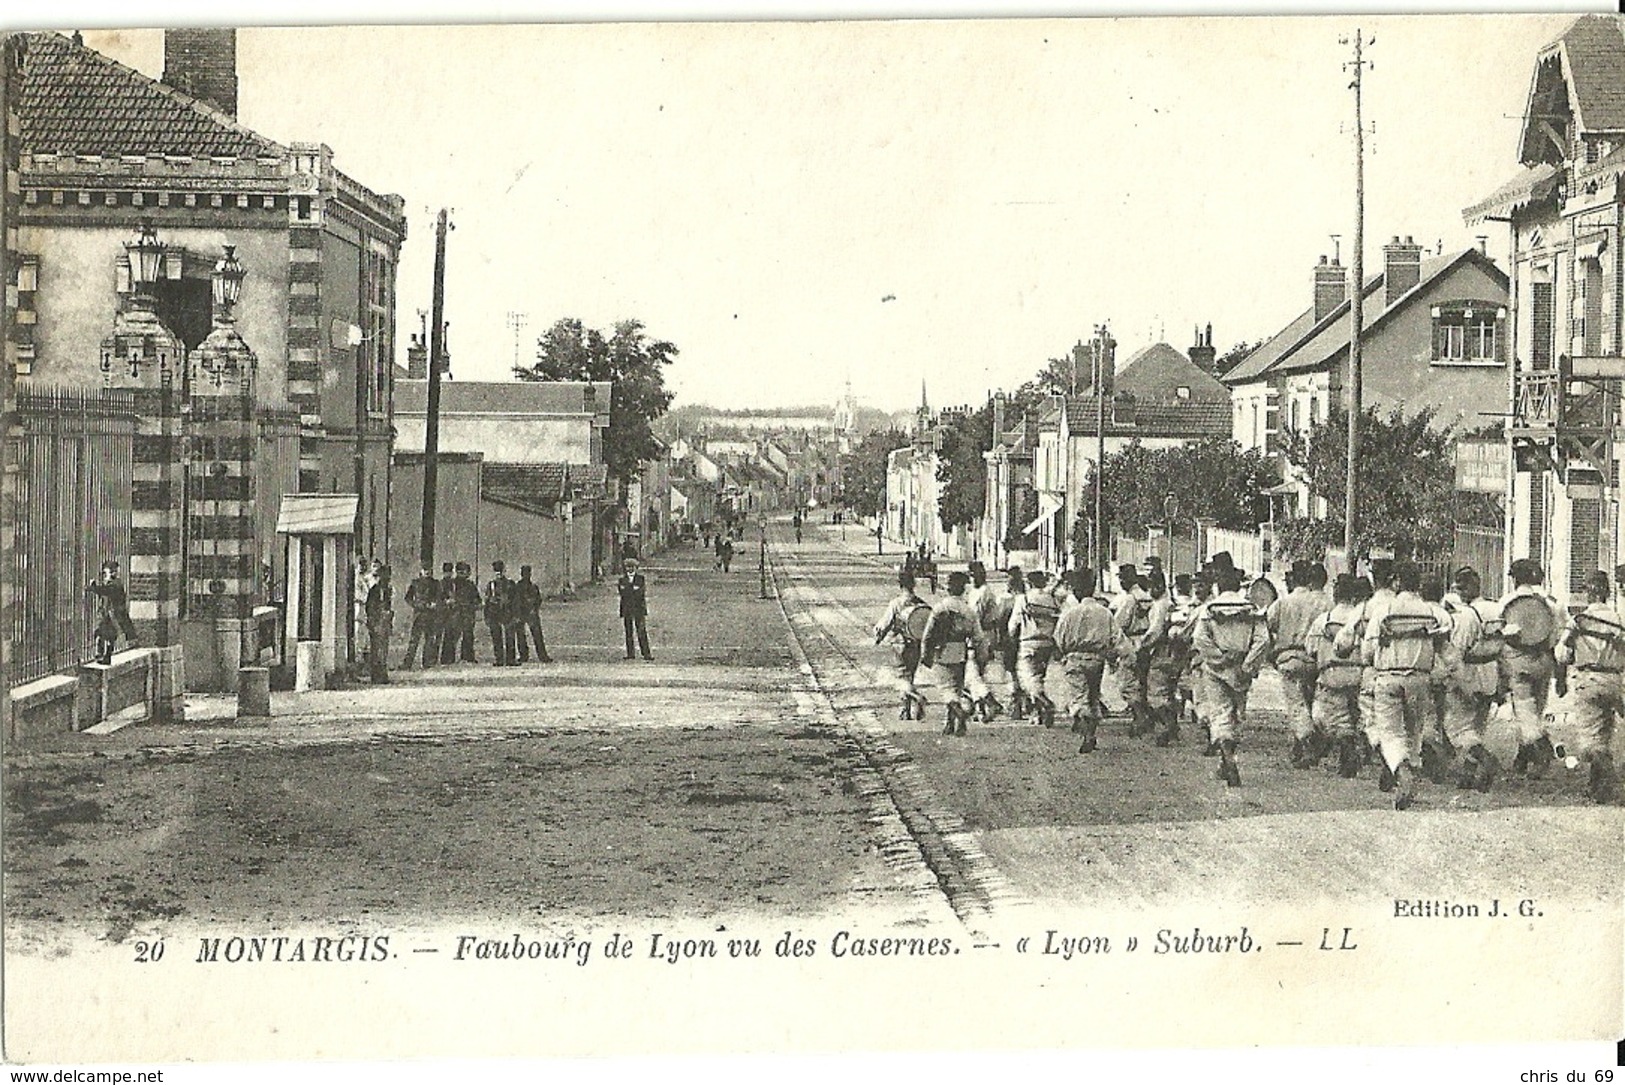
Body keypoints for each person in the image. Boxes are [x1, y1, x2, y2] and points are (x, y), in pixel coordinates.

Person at [1361, 561, 1447, 811]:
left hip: (1389, 676)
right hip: (1420, 678)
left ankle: (1401, 768)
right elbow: (1445, 647)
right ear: (1418, 583)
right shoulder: (1431, 612)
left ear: (1397, 582)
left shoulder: (1385, 608)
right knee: (1414, 731)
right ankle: (1413, 765)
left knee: (1389, 732)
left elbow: (1368, 650)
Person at [1192, 566, 1271, 787]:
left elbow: (1200, 638)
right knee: (1236, 714)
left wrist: (1218, 658)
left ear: (1218, 585)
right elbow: (1262, 640)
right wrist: (1248, 664)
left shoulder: (1210, 609)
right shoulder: (1251, 609)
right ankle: (1227, 759)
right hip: (1241, 669)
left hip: (1217, 669)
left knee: (1220, 713)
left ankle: (1226, 757)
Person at [1553, 570, 1623, 804]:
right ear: (1608, 592)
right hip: (1614, 679)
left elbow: (1562, 654)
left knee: (1590, 739)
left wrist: (1561, 680)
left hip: (1587, 680)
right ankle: (1597, 787)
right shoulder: (1619, 619)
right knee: (1604, 733)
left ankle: (1607, 779)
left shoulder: (1578, 621)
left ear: (1587, 593)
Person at [1500, 558, 1565, 777]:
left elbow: (1502, 633)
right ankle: (1523, 756)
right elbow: (1558, 637)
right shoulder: (1552, 602)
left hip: (1518, 661)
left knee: (1524, 711)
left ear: (1516, 579)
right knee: (1536, 709)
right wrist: (1560, 672)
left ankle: (1540, 750)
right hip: (1544, 660)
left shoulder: (1508, 601)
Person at [1053, 567, 1128, 753]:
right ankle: (1092, 734)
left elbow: (1059, 637)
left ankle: (1086, 733)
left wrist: (1064, 653)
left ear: (1077, 591)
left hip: (1075, 658)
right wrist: (1115, 656)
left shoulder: (1070, 613)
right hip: (1097, 659)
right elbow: (1116, 638)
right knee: (1094, 695)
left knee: (1079, 697)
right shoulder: (1104, 612)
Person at [1442, 567, 1502, 792]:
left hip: (1468, 674)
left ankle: (1485, 759)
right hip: (1490, 673)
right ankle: (1469, 774)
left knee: (1456, 728)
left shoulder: (1464, 615)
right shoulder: (1495, 609)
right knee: (1477, 726)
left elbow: (1456, 653)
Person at [1268, 561, 1331, 768]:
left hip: (1289, 658)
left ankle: (1308, 742)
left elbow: (1268, 625)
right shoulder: (1326, 603)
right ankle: (1300, 745)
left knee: (1296, 705)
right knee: (1310, 702)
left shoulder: (1284, 602)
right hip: (1314, 659)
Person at [1307, 574, 1368, 778]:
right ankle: (1353, 748)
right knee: (1352, 714)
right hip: (1357, 674)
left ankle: (1345, 746)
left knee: (1324, 715)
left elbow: (1311, 648)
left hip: (1331, 675)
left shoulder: (1324, 620)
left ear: (1336, 593)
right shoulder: (1362, 620)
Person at [921, 571, 981, 735]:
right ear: (963, 589)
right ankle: (951, 723)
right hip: (961, 651)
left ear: (948, 588)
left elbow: (928, 635)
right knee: (957, 687)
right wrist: (979, 656)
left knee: (946, 689)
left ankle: (959, 713)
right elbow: (978, 637)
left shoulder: (940, 608)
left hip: (942, 651)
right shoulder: (968, 611)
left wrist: (925, 654)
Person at [1008, 570, 1063, 727]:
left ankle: (1045, 702)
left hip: (1029, 642)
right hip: (1047, 644)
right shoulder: (1052, 599)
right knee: (1039, 676)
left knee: (1028, 678)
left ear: (1029, 583)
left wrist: (1012, 637)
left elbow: (1013, 624)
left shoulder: (1023, 599)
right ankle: (1037, 714)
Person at [875, 570, 931, 720]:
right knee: (909, 676)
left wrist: (879, 637)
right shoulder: (921, 603)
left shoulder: (896, 603)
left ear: (900, 585)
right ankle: (906, 710)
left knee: (901, 677)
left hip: (899, 644)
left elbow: (885, 624)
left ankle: (915, 698)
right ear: (914, 585)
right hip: (915, 645)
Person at [86, 560, 136, 664]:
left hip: (112, 614)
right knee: (102, 633)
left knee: (108, 634)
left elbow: (105, 591)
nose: (105, 575)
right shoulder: (110, 583)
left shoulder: (115, 584)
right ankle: (102, 655)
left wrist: (93, 587)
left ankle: (104, 656)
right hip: (107, 613)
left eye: (107, 572)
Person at [401, 564, 442, 669]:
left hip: (431, 615)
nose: (427, 572)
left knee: (429, 639)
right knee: (414, 640)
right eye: (425, 570)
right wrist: (417, 605)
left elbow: (439, 597)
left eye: (429, 570)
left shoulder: (436, 584)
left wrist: (435, 604)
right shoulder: (415, 583)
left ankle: (427, 662)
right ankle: (407, 663)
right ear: (421, 571)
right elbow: (408, 598)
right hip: (419, 615)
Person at [512, 564, 553, 663]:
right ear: (522, 574)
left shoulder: (533, 587)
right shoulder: (518, 587)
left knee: (536, 635)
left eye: (528, 573)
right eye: (525, 573)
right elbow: (515, 601)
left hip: (531, 613)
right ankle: (525, 655)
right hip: (522, 613)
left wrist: (534, 609)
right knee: (522, 636)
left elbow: (538, 600)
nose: (526, 575)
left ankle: (542, 656)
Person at [618, 557, 653, 661]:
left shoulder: (640, 579)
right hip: (627, 608)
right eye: (628, 567)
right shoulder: (622, 580)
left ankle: (646, 653)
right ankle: (630, 653)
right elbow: (622, 593)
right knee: (628, 631)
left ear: (636, 567)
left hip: (639, 608)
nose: (630, 569)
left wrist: (630, 590)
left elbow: (640, 592)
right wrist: (632, 590)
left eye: (632, 567)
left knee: (641, 630)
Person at [485, 561, 519, 667]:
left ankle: (510, 659)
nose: (499, 574)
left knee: (510, 636)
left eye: (500, 571)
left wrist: (516, 614)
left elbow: (515, 600)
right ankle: (499, 659)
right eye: (497, 572)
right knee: (497, 637)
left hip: (508, 612)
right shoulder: (491, 585)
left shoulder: (510, 584)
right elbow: (487, 601)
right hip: (495, 613)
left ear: (504, 571)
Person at [364, 565, 393, 684]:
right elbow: (369, 607)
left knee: (383, 650)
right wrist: (375, 620)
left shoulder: (386, 590)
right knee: (376, 649)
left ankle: (382, 675)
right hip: (376, 623)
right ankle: (376, 676)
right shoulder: (374, 590)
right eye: (385, 577)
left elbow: (388, 605)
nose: (387, 579)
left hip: (384, 623)